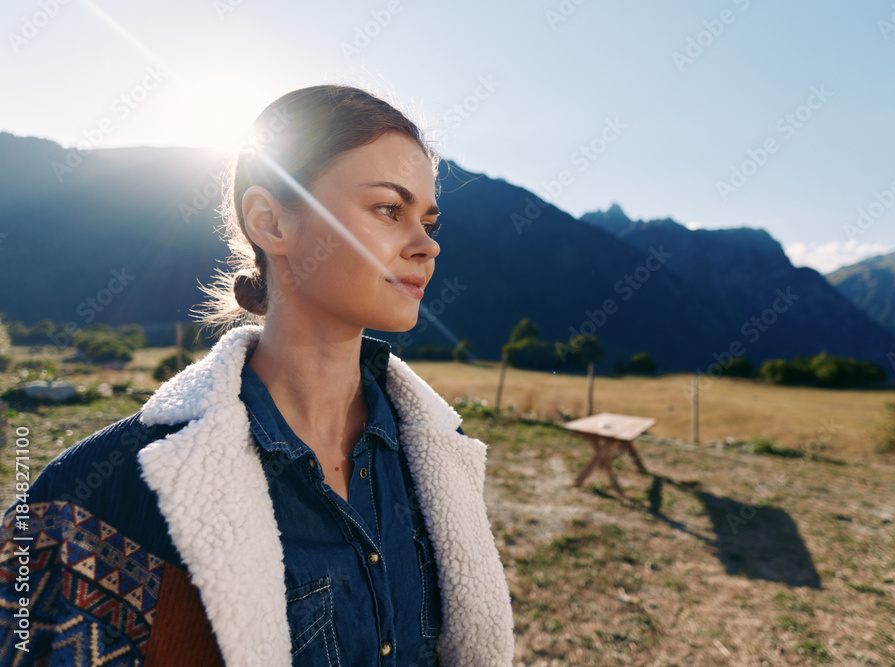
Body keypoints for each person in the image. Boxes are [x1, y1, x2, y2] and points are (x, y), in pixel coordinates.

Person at [0, 85, 515, 666]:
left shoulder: (438, 459)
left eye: (428, 219)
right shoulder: (99, 492)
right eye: (388, 210)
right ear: (271, 222)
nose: (427, 246)